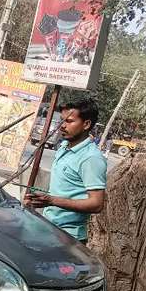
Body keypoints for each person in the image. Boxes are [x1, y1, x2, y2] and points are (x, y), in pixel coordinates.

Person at [27, 98, 107, 243]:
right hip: (48, 228)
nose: (62, 126)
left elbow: (97, 204)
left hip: (69, 238)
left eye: (69, 121)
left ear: (86, 124)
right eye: (62, 120)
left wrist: (52, 200)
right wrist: (42, 199)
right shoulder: (64, 146)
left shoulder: (91, 158)